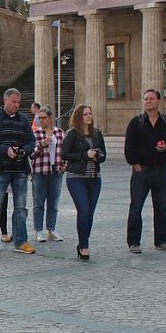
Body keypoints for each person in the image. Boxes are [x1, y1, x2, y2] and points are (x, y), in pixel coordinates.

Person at [124, 89, 166, 253]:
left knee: (162, 207)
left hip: (162, 170)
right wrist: (136, 165)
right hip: (142, 171)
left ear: (158, 101)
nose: (148, 101)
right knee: (136, 207)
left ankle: (161, 241)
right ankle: (134, 242)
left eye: (151, 99)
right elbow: (129, 146)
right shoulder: (136, 122)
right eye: (145, 99)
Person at [0, 88, 36, 256]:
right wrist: (6, 150)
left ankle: (21, 241)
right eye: (14, 102)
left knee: (21, 208)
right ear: (5, 100)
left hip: (19, 170)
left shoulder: (24, 119)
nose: (16, 105)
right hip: (1, 170)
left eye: (19, 102)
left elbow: (31, 141)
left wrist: (24, 150)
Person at [62, 105, 106, 260]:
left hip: (94, 178)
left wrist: (97, 156)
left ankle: (82, 243)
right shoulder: (72, 134)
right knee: (84, 210)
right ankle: (84, 246)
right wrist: (85, 155)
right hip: (76, 177)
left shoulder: (97, 134)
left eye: (90, 114)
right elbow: (65, 154)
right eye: (85, 114)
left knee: (90, 213)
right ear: (79, 117)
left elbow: (103, 154)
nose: (88, 116)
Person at [30, 106, 65, 242]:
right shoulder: (35, 134)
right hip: (40, 172)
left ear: (50, 118)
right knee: (38, 202)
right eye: (39, 118)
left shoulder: (60, 133)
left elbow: (65, 153)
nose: (41, 121)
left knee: (53, 202)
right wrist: (41, 145)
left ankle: (51, 229)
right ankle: (39, 230)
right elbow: (31, 155)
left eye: (43, 118)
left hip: (56, 172)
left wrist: (64, 166)